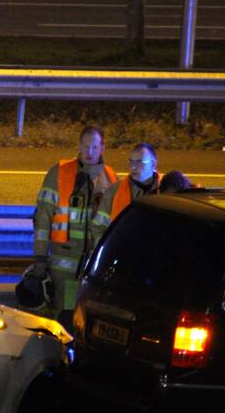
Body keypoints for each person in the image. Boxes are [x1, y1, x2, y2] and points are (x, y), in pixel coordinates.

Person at [30, 125, 117, 323]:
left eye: (94, 147)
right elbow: (43, 218)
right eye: (85, 147)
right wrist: (40, 258)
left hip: (93, 268)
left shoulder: (111, 179)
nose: (89, 152)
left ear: (103, 147)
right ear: (78, 146)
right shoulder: (59, 173)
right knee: (64, 318)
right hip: (65, 267)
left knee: (85, 320)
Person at [90, 142, 162, 247]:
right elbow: (98, 227)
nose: (133, 167)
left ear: (153, 164)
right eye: (131, 162)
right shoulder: (114, 191)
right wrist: (110, 249)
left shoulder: (167, 189)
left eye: (139, 162)